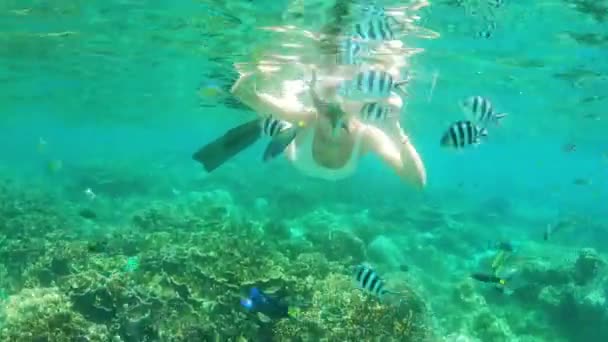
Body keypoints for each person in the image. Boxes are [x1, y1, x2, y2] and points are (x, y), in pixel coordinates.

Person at [223, 63, 427, 188]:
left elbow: (417, 182)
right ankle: (289, 92)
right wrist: (256, 71)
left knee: (293, 115)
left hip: (310, 143)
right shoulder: (309, 117)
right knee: (289, 117)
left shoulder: (367, 136)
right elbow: (243, 94)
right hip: (296, 144)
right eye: (327, 110)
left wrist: (395, 128)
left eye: (341, 112)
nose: (334, 119)